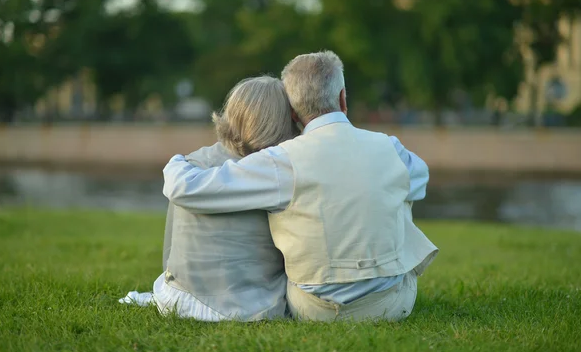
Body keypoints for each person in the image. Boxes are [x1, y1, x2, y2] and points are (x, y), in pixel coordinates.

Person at [162, 51, 438, 322]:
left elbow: (186, 188)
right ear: (343, 98)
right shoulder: (390, 147)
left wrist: (179, 160)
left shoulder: (281, 162)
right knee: (397, 197)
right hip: (392, 303)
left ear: (292, 112)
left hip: (316, 308)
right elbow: (419, 183)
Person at [155, 76, 298, 321]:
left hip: (179, 299)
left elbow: (170, 246)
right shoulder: (278, 175)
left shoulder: (189, 163)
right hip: (252, 306)